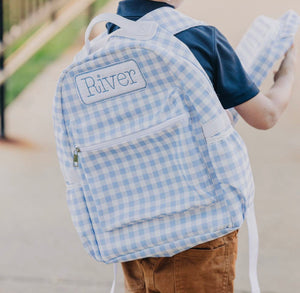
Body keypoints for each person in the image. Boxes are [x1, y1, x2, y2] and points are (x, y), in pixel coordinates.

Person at [105, 0, 297, 292]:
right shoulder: (197, 38)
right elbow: (266, 115)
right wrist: (287, 71)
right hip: (197, 229)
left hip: (135, 230)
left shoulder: (109, 35)